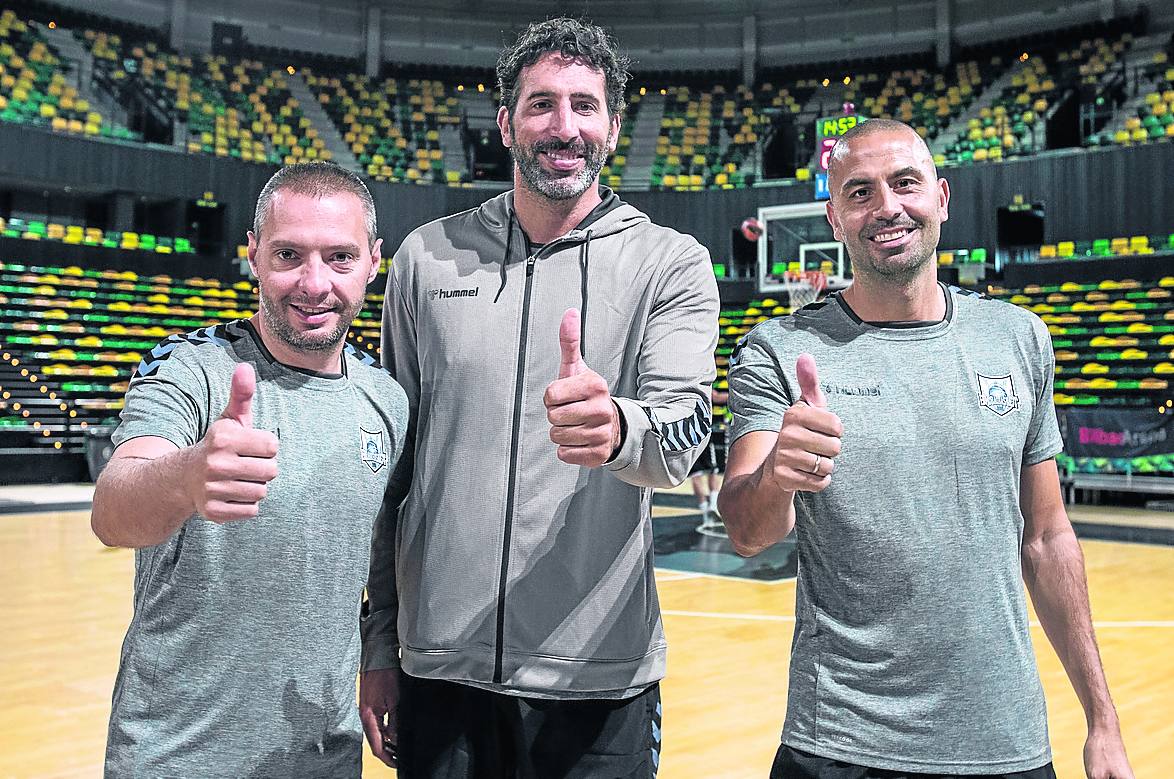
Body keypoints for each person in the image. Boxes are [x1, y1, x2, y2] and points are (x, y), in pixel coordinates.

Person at [718, 119, 1134, 779]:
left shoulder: (1019, 338)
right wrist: (778, 476)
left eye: (905, 183)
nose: (887, 206)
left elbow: (1048, 538)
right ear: (834, 219)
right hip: (841, 743)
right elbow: (747, 532)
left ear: (941, 198)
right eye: (860, 192)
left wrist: (1102, 720)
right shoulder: (780, 349)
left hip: (1004, 739)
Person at [359, 17, 720, 778]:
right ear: (505, 123)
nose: (565, 127)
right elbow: (395, 470)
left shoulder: (670, 263)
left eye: (585, 106)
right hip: (438, 667)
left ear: (612, 128)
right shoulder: (427, 257)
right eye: (541, 104)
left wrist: (619, 427)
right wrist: (379, 639)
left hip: (598, 675)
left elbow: (684, 434)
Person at [91, 162, 409, 777]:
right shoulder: (192, 370)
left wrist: (378, 655)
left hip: (323, 755)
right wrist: (186, 476)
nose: (314, 283)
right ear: (253, 255)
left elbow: (380, 554)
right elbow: (112, 511)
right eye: (289, 255)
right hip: (177, 756)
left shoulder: (385, 398)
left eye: (340, 258)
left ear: (373, 261)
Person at [690, 387, 729, 530]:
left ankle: (709, 507)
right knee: (702, 471)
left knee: (707, 470)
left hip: (701, 426)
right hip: (703, 426)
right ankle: (710, 507)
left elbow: (715, 396)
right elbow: (715, 396)